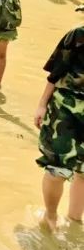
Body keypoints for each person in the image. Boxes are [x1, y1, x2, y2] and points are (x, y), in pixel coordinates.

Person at [34, 20, 84, 232]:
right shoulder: (78, 34)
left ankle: (74, 222)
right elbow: (56, 72)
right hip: (66, 107)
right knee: (57, 169)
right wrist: (42, 104)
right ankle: (51, 216)